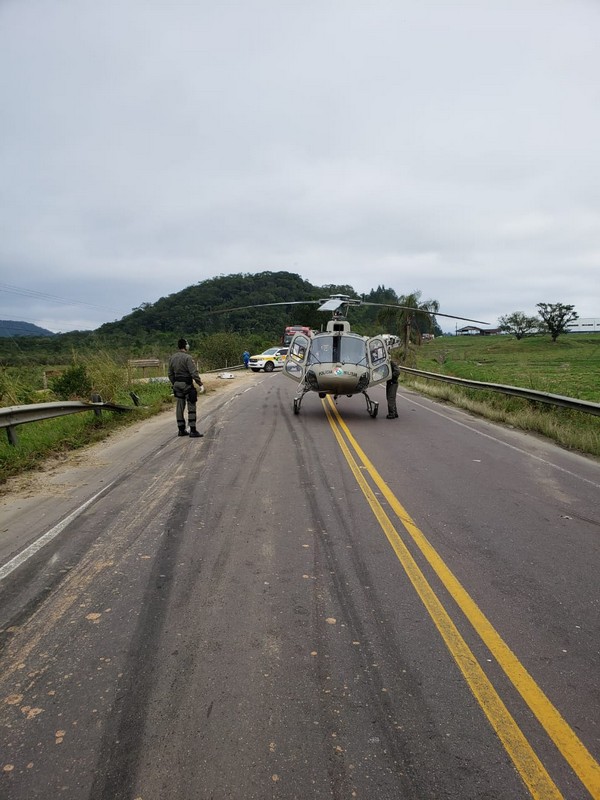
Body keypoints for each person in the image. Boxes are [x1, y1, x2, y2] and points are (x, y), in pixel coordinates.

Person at [168, 338, 205, 437]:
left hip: (177, 385)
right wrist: (200, 384)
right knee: (191, 405)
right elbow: (193, 373)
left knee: (179, 407)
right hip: (187, 385)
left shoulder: (172, 358)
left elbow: (170, 374)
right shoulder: (187, 358)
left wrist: (175, 383)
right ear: (185, 346)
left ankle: (181, 429)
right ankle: (193, 430)